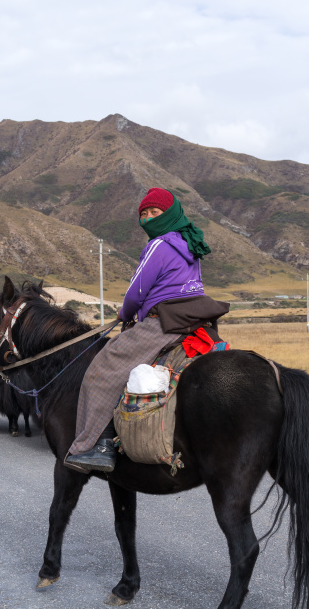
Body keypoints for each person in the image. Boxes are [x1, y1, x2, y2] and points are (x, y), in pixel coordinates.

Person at [64, 187, 226, 474]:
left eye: (155, 212)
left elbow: (137, 292)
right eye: (144, 214)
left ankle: (98, 446)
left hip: (162, 323)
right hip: (195, 321)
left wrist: (125, 314)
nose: (149, 219)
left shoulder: (158, 245)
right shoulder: (191, 245)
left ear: (171, 213)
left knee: (103, 367)